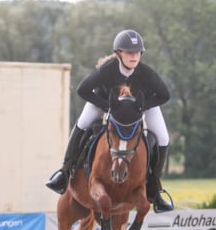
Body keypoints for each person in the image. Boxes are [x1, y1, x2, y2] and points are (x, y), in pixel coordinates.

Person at [45, 29, 174, 213]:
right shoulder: (107, 70)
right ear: (119, 53)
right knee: (82, 124)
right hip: (105, 102)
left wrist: (143, 106)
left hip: (139, 107)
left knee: (163, 137)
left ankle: (155, 189)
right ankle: (64, 173)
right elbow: (82, 90)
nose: (134, 56)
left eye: (137, 52)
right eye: (129, 52)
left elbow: (164, 95)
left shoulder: (146, 73)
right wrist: (106, 106)